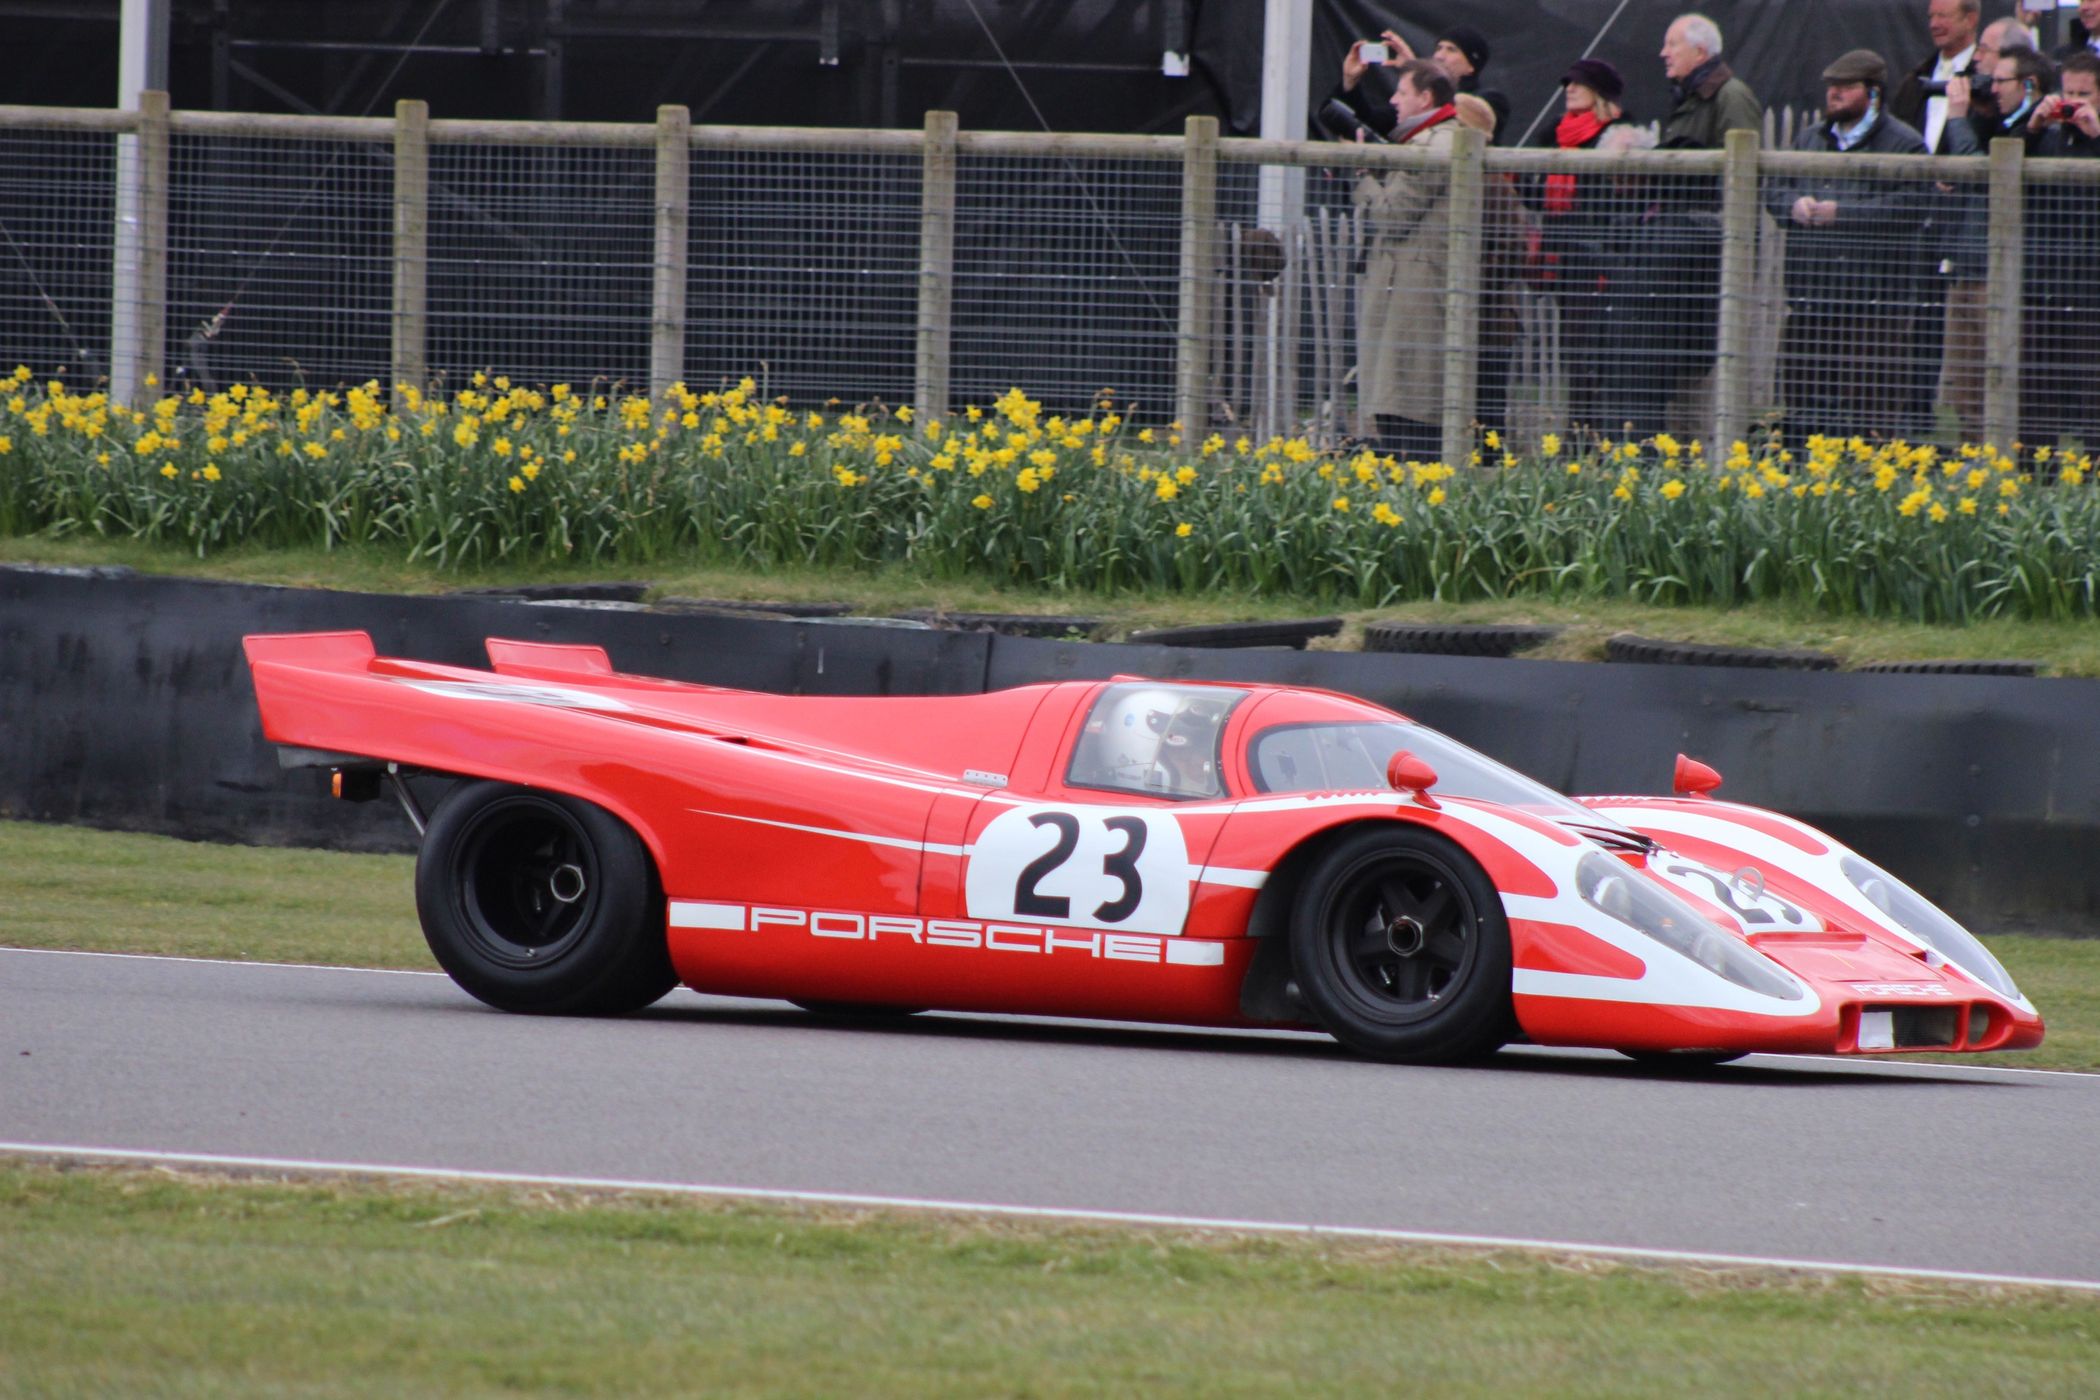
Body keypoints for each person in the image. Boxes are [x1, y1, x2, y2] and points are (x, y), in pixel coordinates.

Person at [1765, 49, 1934, 442]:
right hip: (1810, 305)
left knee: (1869, 424)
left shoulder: (1905, 144)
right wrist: (1793, 206)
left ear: (1873, 92)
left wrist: (1843, 213)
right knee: (1803, 421)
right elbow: (1774, 187)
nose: (1834, 94)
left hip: (1873, 313)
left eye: (1845, 86)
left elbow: (1915, 205)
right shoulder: (1810, 139)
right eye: (1831, 86)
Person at [1354, 60, 1460, 458]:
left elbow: (1391, 216)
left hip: (1413, 302)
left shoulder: (1432, 148)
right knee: (1400, 404)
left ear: (1426, 98)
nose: (1393, 101)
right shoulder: (1432, 140)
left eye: (1402, 92)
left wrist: (1362, 174)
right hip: (1407, 297)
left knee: (1409, 414)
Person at [1522, 59, 1632, 430]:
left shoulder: (1617, 133)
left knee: (1594, 350)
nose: (1568, 89)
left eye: (1578, 84)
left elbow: (1616, 200)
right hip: (1563, 259)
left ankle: (1591, 434)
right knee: (1574, 348)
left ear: (1598, 92)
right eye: (1567, 83)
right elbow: (1538, 196)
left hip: (1601, 260)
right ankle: (1581, 433)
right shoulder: (1554, 133)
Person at [2020, 51, 2100, 447]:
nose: (2074, 103)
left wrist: (2096, 137)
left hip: (2091, 289)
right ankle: (2035, 470)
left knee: (2093, 390)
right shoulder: (2048, 138)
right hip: (2045, 284)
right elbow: (2004, 165)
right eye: (2068, 93)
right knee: (2036, 388)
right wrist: (2033, 127)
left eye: (2084, 94)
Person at [1333, 25, 1512, 145]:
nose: (1440, 55)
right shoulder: (1418, 104)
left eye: (1451, 49)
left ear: (1471, 66)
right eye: (1438, 48)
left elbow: (1459, 116)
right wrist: (1350, 81)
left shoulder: (1492, 100)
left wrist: (1419, 74)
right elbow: (1368, 121)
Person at [1659, 13, 1761, 150]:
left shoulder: (1732, 96)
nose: (1663, 53)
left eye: (1672, 45)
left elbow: (1743, 157)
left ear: (1699, 53)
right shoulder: (1686, 97)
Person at [1891, 1, 1983, 153]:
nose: (1933, 24)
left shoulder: (1987, 82)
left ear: (1970, 20)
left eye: (1942, 16)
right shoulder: (1915, 80)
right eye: (1931, 17)